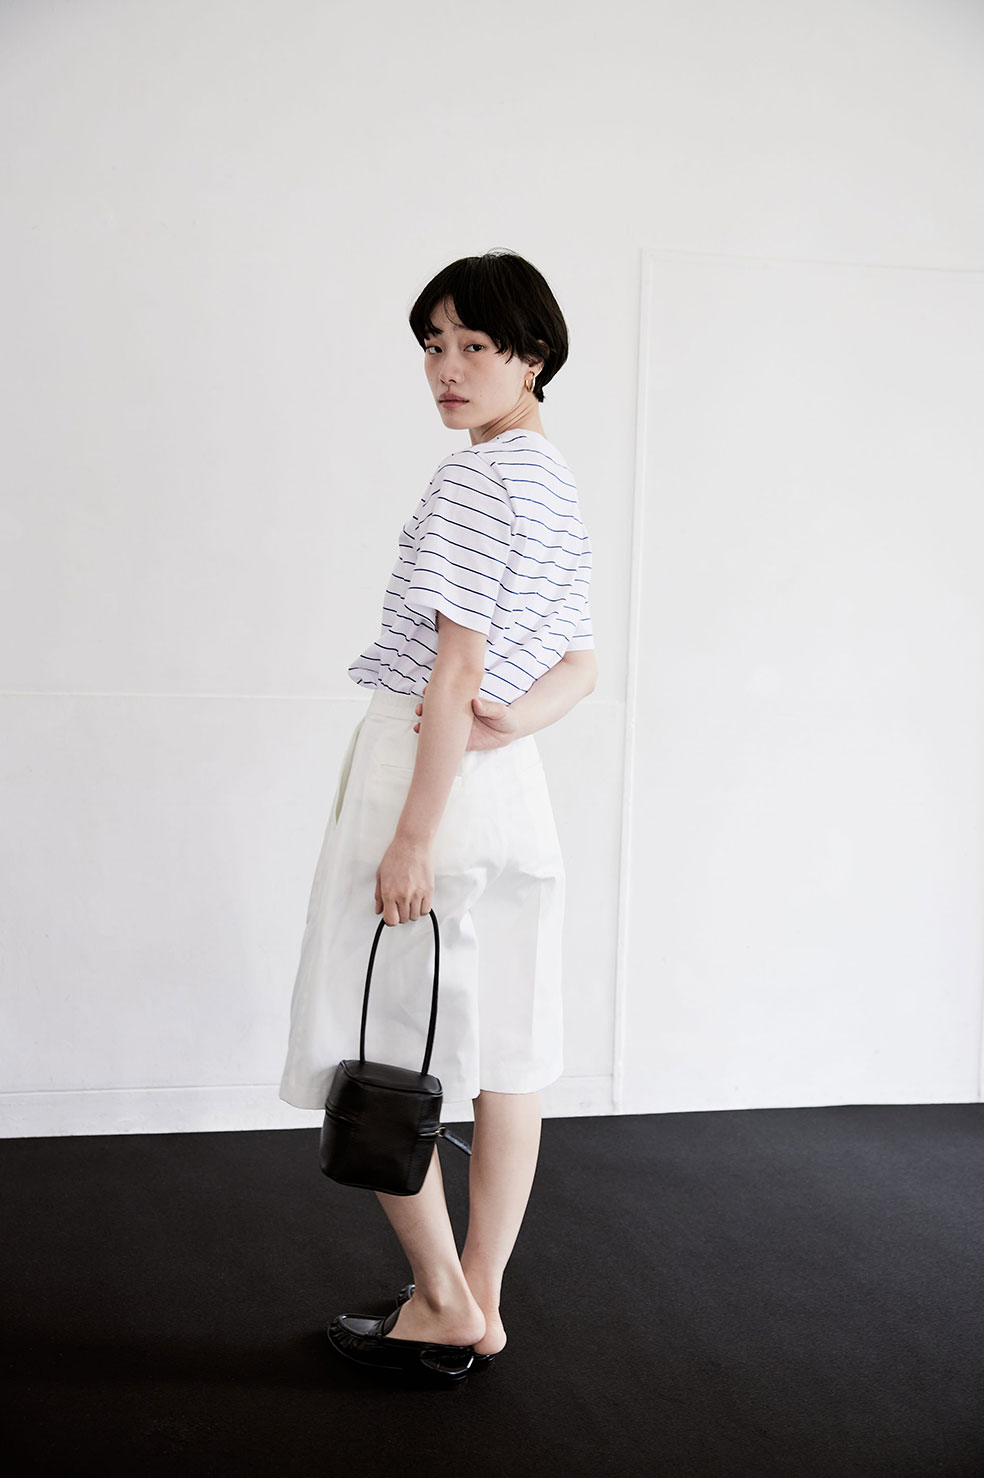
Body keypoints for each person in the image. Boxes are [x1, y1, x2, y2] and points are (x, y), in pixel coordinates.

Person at [278, 248, 597, 1384]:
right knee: (510, 1048)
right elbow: (581, 667)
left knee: (372, 1051)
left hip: (428, 778)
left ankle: (442, 1300)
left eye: (474, 345)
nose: (446, 369)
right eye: (432, 345)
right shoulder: (552, 477)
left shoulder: (473, 482)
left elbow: (452, 672)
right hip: (512, 795)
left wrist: (412, 832)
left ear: (533, 354)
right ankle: (480, 1297)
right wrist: (512, 724)